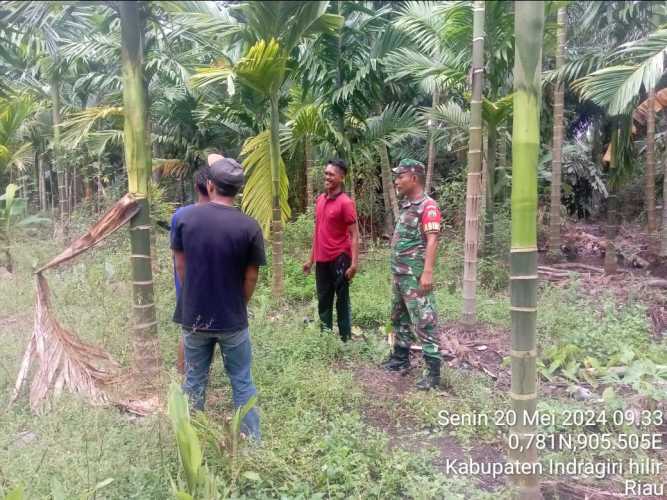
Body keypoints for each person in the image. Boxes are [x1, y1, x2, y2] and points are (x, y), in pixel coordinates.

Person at [172, 156, 265, 440]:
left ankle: (191, 440)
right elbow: (250, 277)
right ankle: (252, 443)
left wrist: (196, 296)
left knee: (194, 381)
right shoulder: (250, 227)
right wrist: (239, 304)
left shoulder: (185, 219)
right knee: (242, 381)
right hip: (232, 319)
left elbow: (180, 266)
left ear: (210, 185)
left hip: (195, 318)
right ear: (237, 190)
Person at [382, 159, 443, 390]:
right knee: (399, 319)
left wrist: (427, 272)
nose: (397, 180)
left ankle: (433, 374)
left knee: (425, 321)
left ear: (414, 177)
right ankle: (400, 359)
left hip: (415, 278)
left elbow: (432, 239)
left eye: (401, 176)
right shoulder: (409, 206)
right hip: (400, 276)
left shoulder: (428, 206)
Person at [303, 159, 359, 342]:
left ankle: (345, 339)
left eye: (331, 174)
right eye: (326, 173)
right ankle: (325, 337)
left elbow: (355, 235)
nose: (327, 177)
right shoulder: (320, 200)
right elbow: (317, 231)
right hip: (322, 259)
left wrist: (354, 264)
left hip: (340, 258)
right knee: (323, 300)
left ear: (341, 178)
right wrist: (310, 260)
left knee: (342, 300)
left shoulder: (346, 203)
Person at [171, 165, 212, 375]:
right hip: (214, 285)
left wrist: (187, 286)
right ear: (214, 186)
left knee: (188, 331)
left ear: (197, 187)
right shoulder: (222, 216)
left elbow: (179, 259)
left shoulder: (181, 215)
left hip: (186, 282)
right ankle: (200, 372)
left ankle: (183, 374)